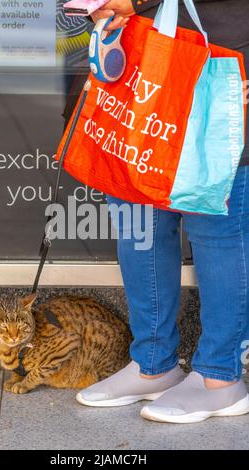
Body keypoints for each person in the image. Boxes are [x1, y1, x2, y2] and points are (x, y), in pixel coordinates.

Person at [75, 0, 249, 424]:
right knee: (140, 224)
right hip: (138, 64)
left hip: (221, 56)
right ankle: (153, 364)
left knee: (216, 229)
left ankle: (220, 378)